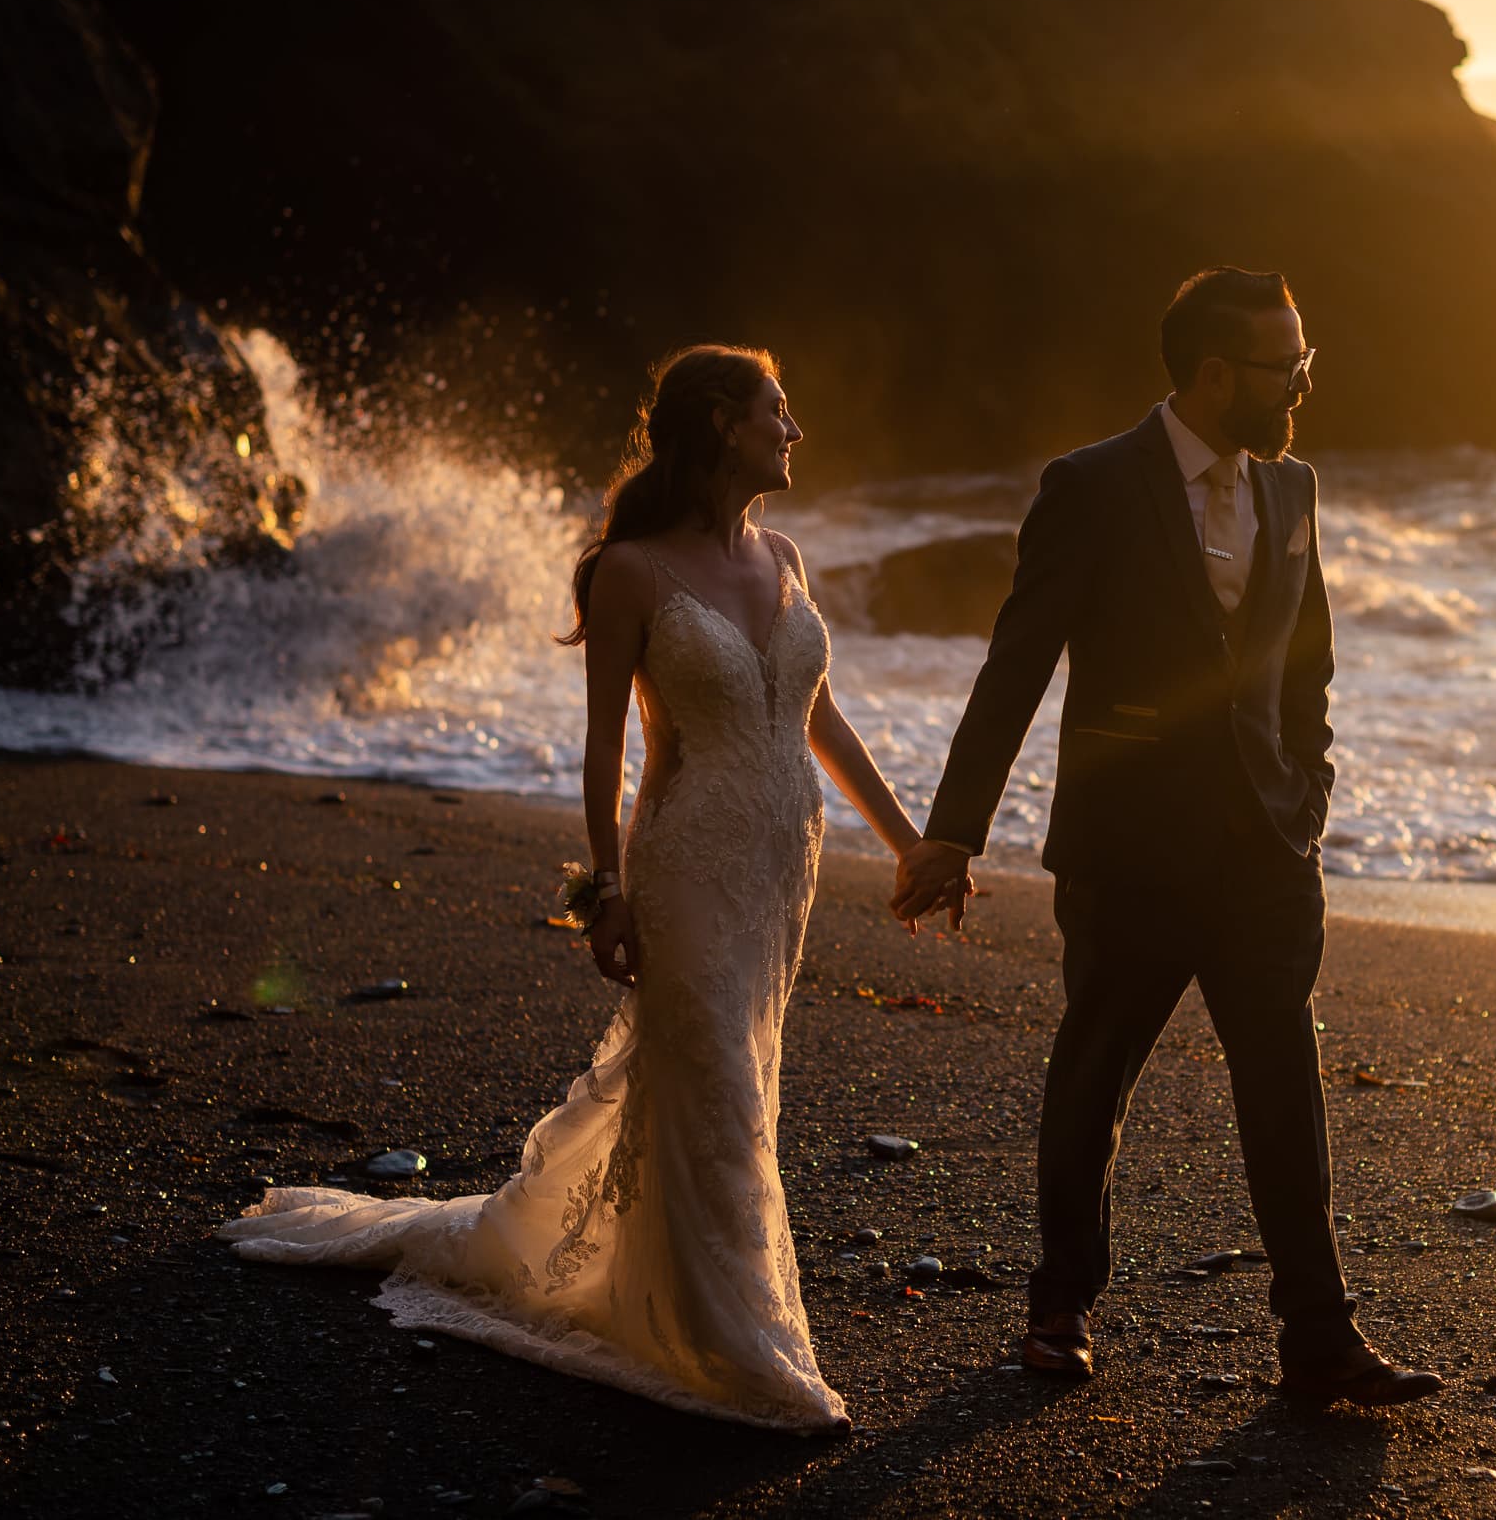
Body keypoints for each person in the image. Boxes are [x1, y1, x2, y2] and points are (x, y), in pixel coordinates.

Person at [219, 344, 960, 1432]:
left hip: (777, 864)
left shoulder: (787, 555)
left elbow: (821, 719)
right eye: (776, 412)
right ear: (719, 424)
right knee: (712, 1075)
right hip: (687, 859)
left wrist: (907, 842)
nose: (794, 432)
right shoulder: (630, 572)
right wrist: (603, 890)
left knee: (737, 1077)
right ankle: (743, 1345)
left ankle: (682, 1295)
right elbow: (603, 750)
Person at [893, 269, 1441, 1407]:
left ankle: (1318, 1335)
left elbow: (1307, 671)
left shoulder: (1292, 491)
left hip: (1265, 855)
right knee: (1094, 1075)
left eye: (1306, 358)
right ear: (1211, 374)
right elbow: (1018, 661)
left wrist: (1308, 796)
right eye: (1284, 365)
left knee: (1284, 1087)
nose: (1301, 383)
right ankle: (1061, 1304)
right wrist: (953, 832)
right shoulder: (1091, 485)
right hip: (1129, 849)